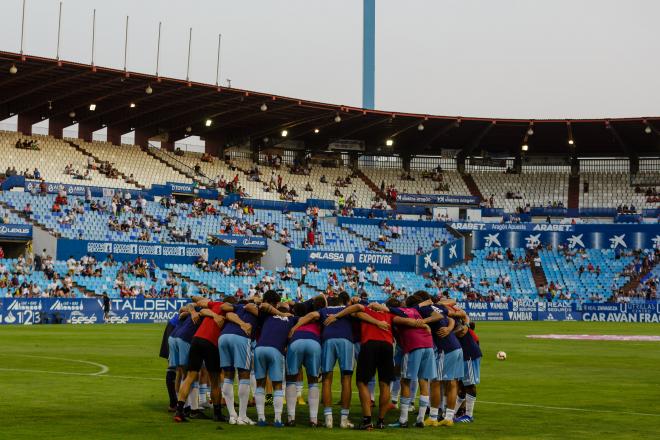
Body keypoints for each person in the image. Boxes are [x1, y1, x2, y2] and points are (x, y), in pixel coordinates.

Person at [174, 296, 228, 423]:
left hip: (196, 340)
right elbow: (198, 306)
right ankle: (217, 413)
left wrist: (211, 314)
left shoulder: (215, 304)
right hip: (211, 343)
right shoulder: (232, 310)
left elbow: (200, 308)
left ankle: (179, 411)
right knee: (215, 379)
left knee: (189, 376)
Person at [253, 290, 298, 427]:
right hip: (275, 350)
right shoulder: (290, 318)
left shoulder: (267, 316)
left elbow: (259, 305)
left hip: (259, 348)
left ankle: (261, 417)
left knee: (261, 382)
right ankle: (277, 419)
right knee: (277, 384)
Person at [218, 299, 260, 425]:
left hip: (224, 337)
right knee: (256, 376)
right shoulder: (261, 312)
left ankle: (232, 415)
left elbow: (228, 313)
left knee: (228, 376)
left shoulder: (238, 308)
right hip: (243, 339)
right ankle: (246, 414)